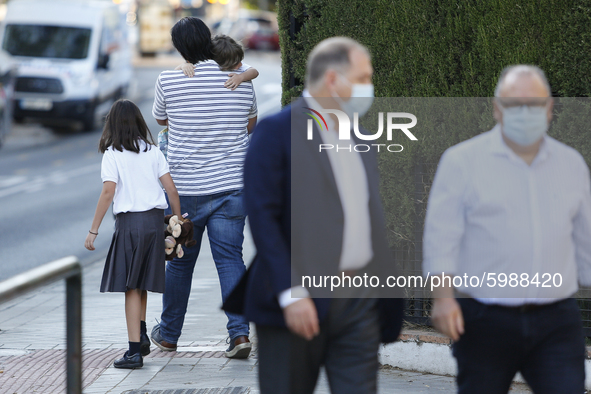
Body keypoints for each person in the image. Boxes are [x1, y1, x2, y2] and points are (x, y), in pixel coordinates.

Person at [224, 37, 403, 393]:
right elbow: (263, 216)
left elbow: (367, 215)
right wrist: (291, 291)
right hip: (296, 299)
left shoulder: (362, 137)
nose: (370, 86)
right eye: (364, 77)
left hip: (358, 299)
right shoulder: (276, 133)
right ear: (334, 79)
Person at [423, 65, 591, 393]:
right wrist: (443, 298)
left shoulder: (571, 164)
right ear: (497, 108)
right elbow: (442, 237)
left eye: (535, 103)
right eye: (515, 104)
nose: (525, 112)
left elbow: (586, 238)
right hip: (484, 319)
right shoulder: (462, 162)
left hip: (556, 321)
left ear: (550, 108)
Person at [150, 17, 258, 359]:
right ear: (209, 41)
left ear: (180, 47)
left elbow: (162, 121)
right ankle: (239, 335)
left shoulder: (169, 80)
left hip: (186, 192)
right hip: (232, 186)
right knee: (230, 259)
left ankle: (168, 336)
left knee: (180, 263)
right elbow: (250, 125)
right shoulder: (239, 79)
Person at [84, 99, 181, 369]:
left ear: (112, 124)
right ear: (138, 122)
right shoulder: (152, 151)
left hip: (131, 225)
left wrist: (94, 229)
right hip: (154, 223)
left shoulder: (113, 153)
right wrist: (178, 219)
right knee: (142, 282)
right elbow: (171, 190)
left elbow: (108, 191)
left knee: (130, 287)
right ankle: (140, 334)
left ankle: (133, 353)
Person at [158, 35, 260, 160]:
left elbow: (254, 71)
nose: (240, 66)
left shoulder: (240, 73)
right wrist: (184, 65)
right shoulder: (243, 83)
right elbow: (251, 126)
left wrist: (241, 77)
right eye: (236, 63)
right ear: (221, 64)